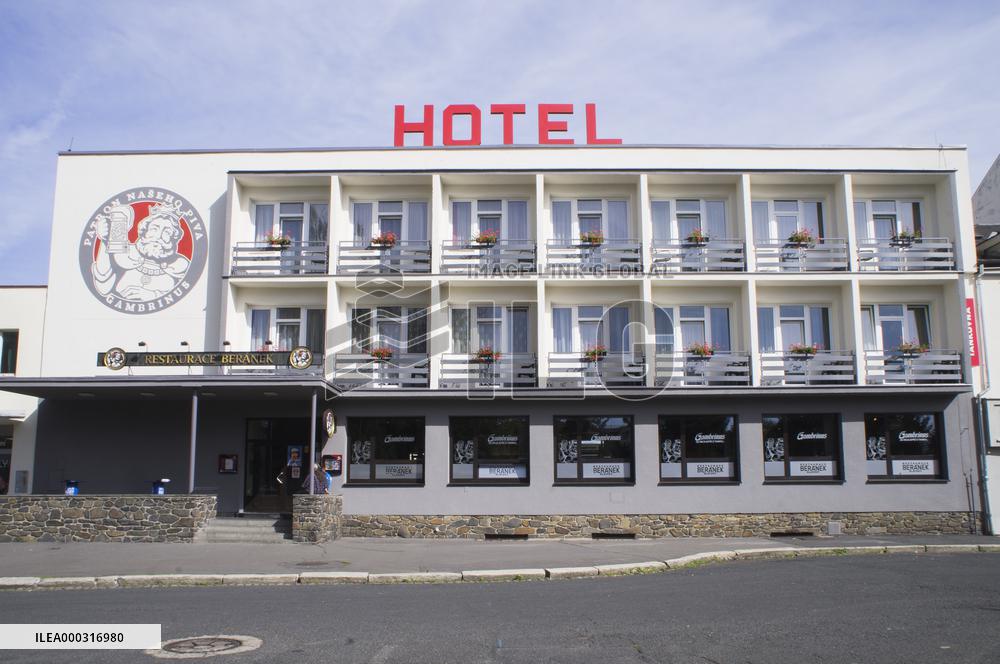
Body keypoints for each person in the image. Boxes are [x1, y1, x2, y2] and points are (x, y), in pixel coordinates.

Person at [92, 203, 191, 301]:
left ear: (173, 238)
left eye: (167, 232)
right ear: (144, 231)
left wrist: (152, 295)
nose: (158, 236)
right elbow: (103, 286)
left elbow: (186, 297)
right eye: (154, 229)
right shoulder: (124, 254)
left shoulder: (179, 265)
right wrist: (104, 240)